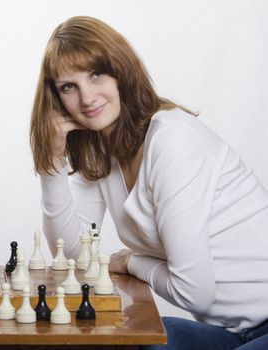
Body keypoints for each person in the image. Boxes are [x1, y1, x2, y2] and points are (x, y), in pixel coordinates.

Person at [29, 16, 268, 349]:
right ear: (57, 98)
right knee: (134, 339)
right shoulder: (100, 149)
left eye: (96, 74)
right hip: (228, 333)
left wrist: (132, 261)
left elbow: (193, 292)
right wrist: (52, 162)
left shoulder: (172, 139)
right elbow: (69, 255)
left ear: (120, 69)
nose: (86, 97)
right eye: (69, 86)